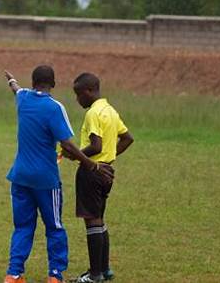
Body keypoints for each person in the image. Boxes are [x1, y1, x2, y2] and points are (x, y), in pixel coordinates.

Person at [3, 66, 114, 283]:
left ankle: (13, 274)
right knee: (54, 226)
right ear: (53, 84)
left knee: (23, 226)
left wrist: (11, 80)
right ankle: (54, 275)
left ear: (33, 82)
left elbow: (16, 90)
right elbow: (68, 145)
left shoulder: (23, 99)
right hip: (46, 180)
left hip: (20, 177)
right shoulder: (55, 108)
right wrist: (92, 165)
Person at [66, 73, 133, 283]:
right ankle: (104, 270)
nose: (77, 100)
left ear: (88, 91)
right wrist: (108, 159)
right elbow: (127, 138)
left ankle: (94, 276)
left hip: (92, 172)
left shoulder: (93, 113)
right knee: (99, 220)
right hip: (106, 171)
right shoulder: (110, 110)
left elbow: (96, 146)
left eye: (78, 95)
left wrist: (74, 153)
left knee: (92, 221)